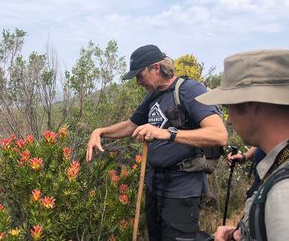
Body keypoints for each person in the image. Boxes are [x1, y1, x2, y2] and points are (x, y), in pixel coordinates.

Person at [86, 44, 227, 241]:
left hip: (182, 190)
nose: (137, 82)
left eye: (140, 75)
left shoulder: (189, 90)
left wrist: (166, 134)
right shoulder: (153, 96)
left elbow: (219, 134)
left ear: (156, 67)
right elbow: (130, 125)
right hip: (155, 187)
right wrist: (99, 132)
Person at [195, 49, 289, 241]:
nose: (228, 121)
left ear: (250, 103)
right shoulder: (279, 167)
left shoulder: (283, 193)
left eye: (228, 107)